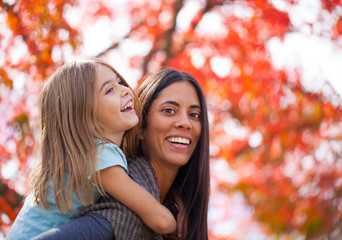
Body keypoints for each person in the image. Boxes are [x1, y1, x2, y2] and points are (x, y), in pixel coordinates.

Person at [6, 59, 177, 240]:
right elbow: (159, 219)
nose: (126, 90)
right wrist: (178, 223)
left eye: (119, 82)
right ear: (84, 115)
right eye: (109, 90)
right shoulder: (100, 157)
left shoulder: (85, 156)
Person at [33, 68, 210, 240]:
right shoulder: (122, 213)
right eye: (169, 110)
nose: (185, 123)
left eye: (194, 114)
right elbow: (160, 221)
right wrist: (173, 223)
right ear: (140, 127)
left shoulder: (173, 203)